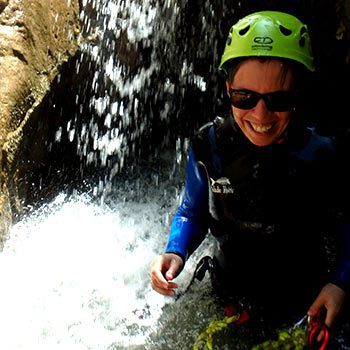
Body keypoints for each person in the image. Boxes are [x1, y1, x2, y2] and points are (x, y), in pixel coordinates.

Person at [150, 10, 349, 332]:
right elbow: (192, 211)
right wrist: (175, 251)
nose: (261, 114)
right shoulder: (208, 145)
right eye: (245, 97)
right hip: (228, 287)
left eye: (278, 99)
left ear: (299, 93)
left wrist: (340, 283)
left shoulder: (323, 153)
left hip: (309, 298)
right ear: (228, 89)